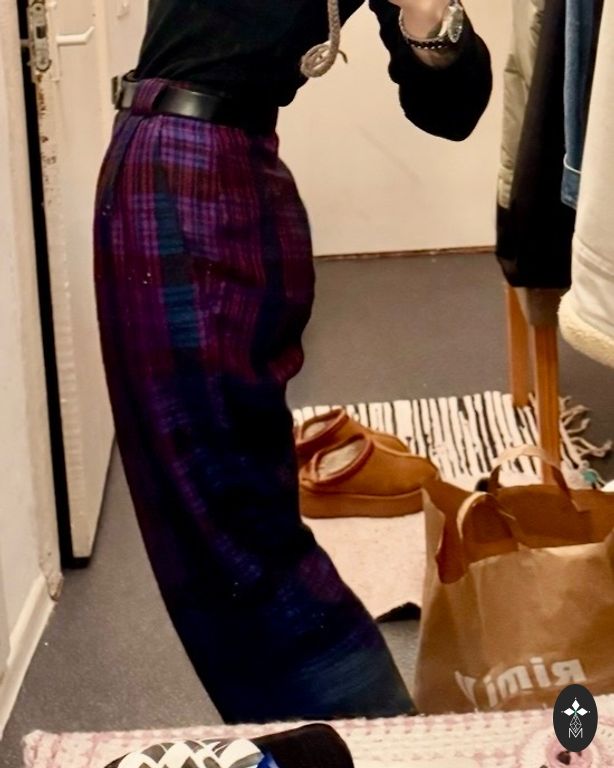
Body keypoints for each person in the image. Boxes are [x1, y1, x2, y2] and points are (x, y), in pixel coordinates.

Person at [94, 0, 492, 724]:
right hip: (179, 168)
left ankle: (372, 741)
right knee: (218, 516)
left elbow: (452, 107)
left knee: (232, 522)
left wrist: (430, 14)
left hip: (211, 174)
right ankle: (361, 739)